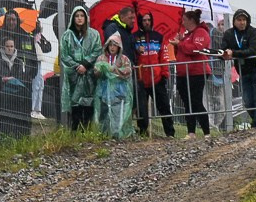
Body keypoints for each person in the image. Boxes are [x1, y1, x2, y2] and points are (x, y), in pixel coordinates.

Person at [129, 8, 174, 137]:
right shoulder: (134, 37)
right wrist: (137, 50)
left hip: (157, 78)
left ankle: (170, 133)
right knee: (142, 110)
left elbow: (164, 56)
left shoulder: (158, 37)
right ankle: (143, 133)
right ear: (140, 22)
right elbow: (130, 56)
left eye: (149, 20)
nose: (147, 22)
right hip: (141, 78)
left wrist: (165, 74)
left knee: (164, 107)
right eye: (144, 20)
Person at [57, 7, 101, 133]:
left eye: (82, 15)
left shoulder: (94, 34)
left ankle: (87, 134)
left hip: (89, 75)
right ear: (73, 18)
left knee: (89, 105)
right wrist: (77, 66)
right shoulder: (67, 35)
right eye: (77, 16)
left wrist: (85, 64)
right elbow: (64, 55)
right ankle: (74, 135)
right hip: (74, 76)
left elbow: (97, 50)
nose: (80, 18)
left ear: (86, 18)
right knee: (75, 106)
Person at [220, 9, 256, 129]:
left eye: (244, 20)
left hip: (255, 69)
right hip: (242, 71)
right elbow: (223, 50)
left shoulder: (252, 31)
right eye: (239, 20)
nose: (242, 22)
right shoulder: (229, 34)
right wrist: (224, 54)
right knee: (247, 100)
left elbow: (253, 50)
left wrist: (234, 53)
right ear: (234, 21)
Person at [173, 10, 214, 135]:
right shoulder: (186, 35)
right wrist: (178, 44)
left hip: (197, 72)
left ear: (191, 20)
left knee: (196, 102)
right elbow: (180, 53)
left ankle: (206, 132)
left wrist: (180, 44)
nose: (183, 22)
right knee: (187, 103)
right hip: (183, 73)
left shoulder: (201, 32)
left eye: (184, 19)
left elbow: (197, 49)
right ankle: (191, 132)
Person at [92, 34, 134, 138]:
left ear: (119, 46)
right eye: (110, 45)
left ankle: (118, 134)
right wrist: (101, 69)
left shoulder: (124, 59)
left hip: (119, 93)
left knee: (118, 114)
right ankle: (104, 134)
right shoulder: (101, 58)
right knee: (104, 114)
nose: (112, 47)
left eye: (115, 45)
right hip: (104, 93)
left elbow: (128, 71)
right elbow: (96, 72)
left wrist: (115, 70)